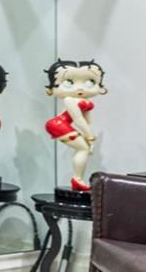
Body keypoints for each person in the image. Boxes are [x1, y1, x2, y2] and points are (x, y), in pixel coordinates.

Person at [44, 59, 106, 193]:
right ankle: (77, 179)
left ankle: (78, 179)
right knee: (82, 149)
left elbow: (87, 121)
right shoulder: (69, 100)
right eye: (69, 82)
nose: (80, 88)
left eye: (90, 82)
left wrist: (88, 137)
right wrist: (89, 137)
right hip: (58, 124)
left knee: (83, 148)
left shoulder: (86, 102)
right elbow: (78, 120)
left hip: (62, 124)